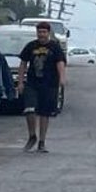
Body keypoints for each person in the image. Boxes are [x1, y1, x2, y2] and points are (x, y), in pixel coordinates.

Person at [17, 21, 66, 153]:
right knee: (29, 109)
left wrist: (62, 78)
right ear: (37, 33)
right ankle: (32, 135)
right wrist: (20, 82)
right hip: (32, 83)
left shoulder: (54, 47)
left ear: (48, 33)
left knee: (44, 113)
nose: (42, 34)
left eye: (44, 32)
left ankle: (42, 142)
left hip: (49, 84)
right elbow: (23, 64)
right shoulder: (31, 46)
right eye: (39, 32)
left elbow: (60, 63)